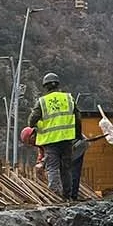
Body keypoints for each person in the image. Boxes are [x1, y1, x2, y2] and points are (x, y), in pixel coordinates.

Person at [28, 72, 76, 201]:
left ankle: (55, 196)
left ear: (45, 86)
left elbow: (32, 120)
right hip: (67, 139)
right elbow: (78, 117)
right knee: (66, 168)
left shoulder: (42, 102)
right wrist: (77, 135)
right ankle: (68, 196)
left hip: (51, 141)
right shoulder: (68, 98)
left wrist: (37, 125)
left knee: (53, 168)